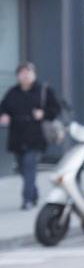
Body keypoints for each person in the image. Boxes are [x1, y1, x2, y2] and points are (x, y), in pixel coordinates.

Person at [0, 62, 61, 210]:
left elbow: (56, 109)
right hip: (17, 137)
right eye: (22, 73)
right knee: (22, 168)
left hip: (36, 137)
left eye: (28, 72)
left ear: (34, 75)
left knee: (29, 166)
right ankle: (33, 192)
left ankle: (27, 200)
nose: (25, 75)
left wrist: (44, 114)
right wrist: (4, 116)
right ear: (18, 76)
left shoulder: (44, 91)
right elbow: (3, 108)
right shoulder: (12, 92)